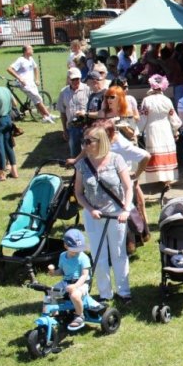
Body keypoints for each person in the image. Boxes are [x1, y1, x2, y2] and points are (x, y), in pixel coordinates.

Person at [73, 125, 133, 302]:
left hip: (116, 214)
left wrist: (126, 209)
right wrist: (90, 209)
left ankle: (124, 292)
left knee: (118, 253)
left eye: (88, 141)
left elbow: (128, 187)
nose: (84, 145)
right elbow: (78, 193)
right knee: (98, 255)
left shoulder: (116, 159)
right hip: (93, 215)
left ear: (101, 142)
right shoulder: (82, 165)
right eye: (83, 141)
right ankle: (105, 293)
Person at [138, 75, 179, 187]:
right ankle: (167, 179)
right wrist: (175, 130)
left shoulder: (146, 100)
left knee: (155, 151)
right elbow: (173, 116)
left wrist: (137, 130)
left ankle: (159, 177)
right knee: (166, 149)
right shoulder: (167, 100)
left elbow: (143, 117)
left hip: (152, 128)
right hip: (165, 127)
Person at [47, 229, 92, 331]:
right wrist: (53, 272)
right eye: (74, 249)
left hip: (81, 283)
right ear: (66, 246)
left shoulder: (83, 257)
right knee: (50, 292)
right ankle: (55, 314)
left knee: (74, 295)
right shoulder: (62, 256)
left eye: (79, 248)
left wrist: (75, 286)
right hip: (67, 282)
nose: (77, 251)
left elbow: (84, 275)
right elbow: (62, 271)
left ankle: (80, 315)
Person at [7, 45, 55, 123]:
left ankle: (45, 116)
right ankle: (48, 115)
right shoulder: (20, 60)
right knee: (37, 98)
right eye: (31, 49)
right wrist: (19, 78)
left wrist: (37, 79)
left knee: (37, 99)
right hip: (24, 84)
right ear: (26, 51)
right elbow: (9, 69)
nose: (33, 50)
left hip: (31, 82)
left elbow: (35, 68)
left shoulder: (31, 59)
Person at [58, 67, 92, 157]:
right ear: (68, 79)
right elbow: (62, 113)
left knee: (90, 152)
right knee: (75, 153)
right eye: (73, 79)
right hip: (72, 127)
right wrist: (65, 130)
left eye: (77, 79)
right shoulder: (63, 92)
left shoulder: (88, 89)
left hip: (87, 126)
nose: (76, 81)